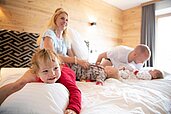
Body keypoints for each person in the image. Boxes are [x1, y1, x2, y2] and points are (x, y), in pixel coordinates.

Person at [0, 49, 81, 114]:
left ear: (59, 67)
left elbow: (75, 91)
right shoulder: (33, 74)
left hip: (67, 71)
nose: (52, 74)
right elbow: (16, 85)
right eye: (46, 71)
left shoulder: (63, 76)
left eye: (55, 68)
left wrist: (73, 109)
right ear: (37, 73)